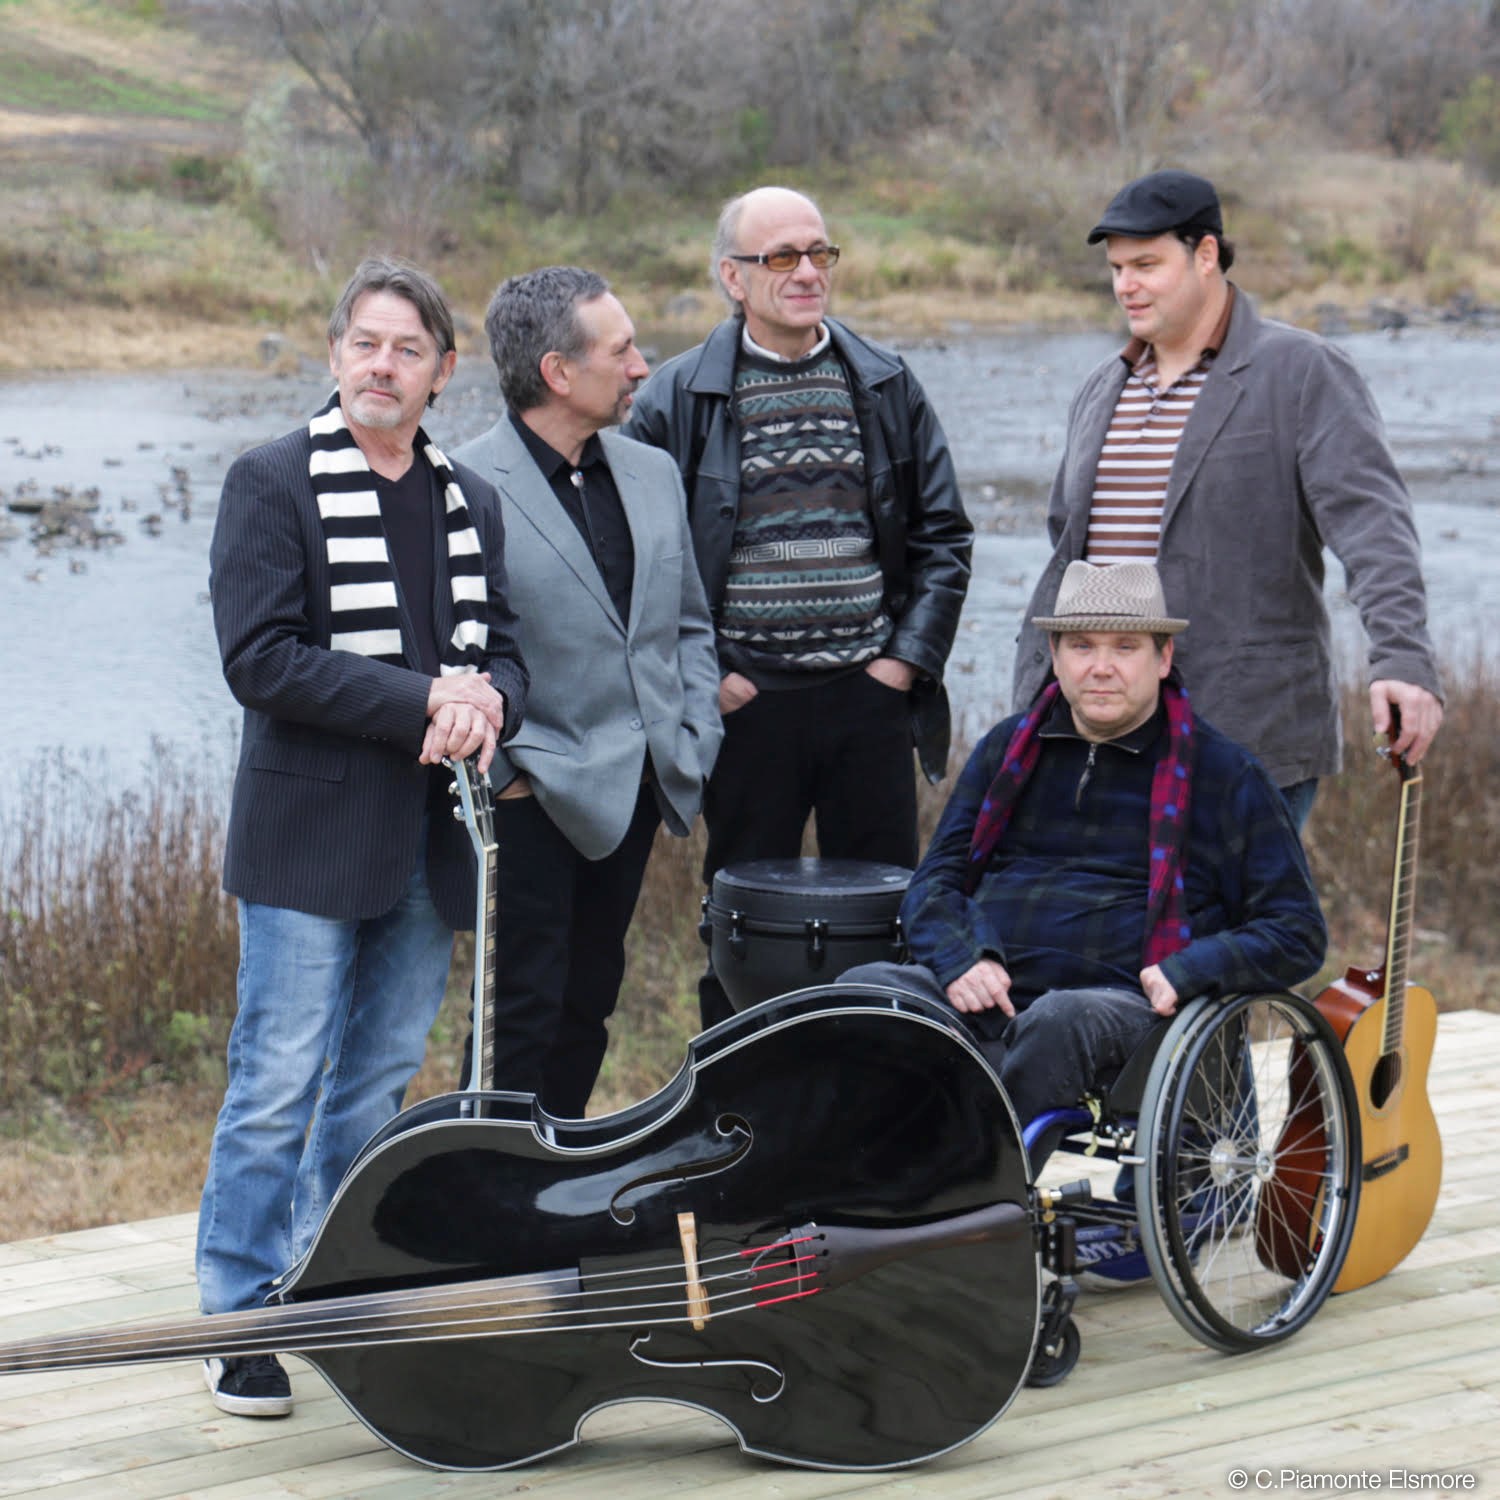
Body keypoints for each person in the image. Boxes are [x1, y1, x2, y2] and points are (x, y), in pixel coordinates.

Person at [200, 257, 529, 1416]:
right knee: (277, 1080)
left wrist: (488, 702)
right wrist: (424, 701)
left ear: (444, 372)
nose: (380, 365)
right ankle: (238, 1314)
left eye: (406, 349)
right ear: (335, 354)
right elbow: (261, 660)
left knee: (376, 1085)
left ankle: (335, 1292)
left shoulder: (468, 499)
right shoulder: (272, 481)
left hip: (429, 841)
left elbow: (505, 656)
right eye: (363, 343)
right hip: (307, 834)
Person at [626, 185, 973, 1028]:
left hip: (869, 701)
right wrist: (702, 678)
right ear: (732, 278)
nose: (808, 271)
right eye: (782, 257)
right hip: (747, 709)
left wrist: (902, 666)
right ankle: (738, 1110)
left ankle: (877, 1104)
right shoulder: (677, 400)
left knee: (888, 925)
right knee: (738, 922)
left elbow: (945, 538)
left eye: (820, 253)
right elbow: (631, 559)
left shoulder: (886, 384)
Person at [1013, 169, 1443, 828]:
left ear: (1206, 254)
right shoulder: (1103, 388)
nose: (1126, 285)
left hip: (1246, 738)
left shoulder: (1302, 372)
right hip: (1097, 736)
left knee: (1246, 934)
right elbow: (1067, 552)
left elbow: (1374, 530)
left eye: (1147, 264)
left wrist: (1403, 658)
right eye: (1117, 268)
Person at [842, 560, 1326, 1135]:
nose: (1101, 668)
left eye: (1125, 647)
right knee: (860, 992)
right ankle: (858, 1189)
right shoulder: (1008, 750)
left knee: (1057, 1019)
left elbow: (1297, 931)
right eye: (1081, 646)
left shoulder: (1225, 776)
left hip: (1121, 1008)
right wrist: (962, 958)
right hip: (987, 989)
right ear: (1054, 653)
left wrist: (1191, 968)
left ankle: (974, 1198)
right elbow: (935, 883)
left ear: (1163, 658)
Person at [453, 266, 722, 1118]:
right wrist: (507, 777)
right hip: (530, 796)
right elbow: (455, 652)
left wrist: (690, 735)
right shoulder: (463, 487)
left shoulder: (649, 472)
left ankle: (552, 1182)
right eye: (622, 350)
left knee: (588, 1003)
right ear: (558, 374)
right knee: (516, 1014)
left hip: (638, 789)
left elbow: (688, 627)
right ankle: (484, 1198)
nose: (643, 366)